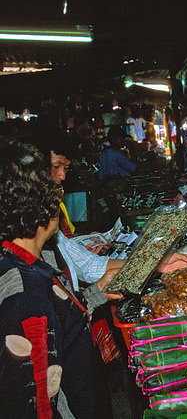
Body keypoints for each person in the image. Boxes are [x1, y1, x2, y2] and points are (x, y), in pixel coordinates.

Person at [0, 140, 120, 417]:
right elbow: (35, 403)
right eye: (54, 190)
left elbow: (59, 325)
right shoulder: (24, 291)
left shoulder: (27, 262)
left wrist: (97, 292)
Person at [38, 130, 187, 292]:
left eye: (65, 168)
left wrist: (156, 263)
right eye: (56, 166)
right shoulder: (25, 264)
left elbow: (89, 266)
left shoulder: (52, 232)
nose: (62, 176)